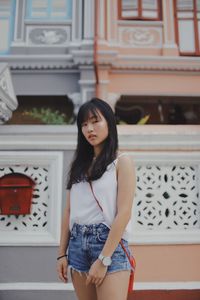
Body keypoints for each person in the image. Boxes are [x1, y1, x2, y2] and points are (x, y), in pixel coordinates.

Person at [57, 98, 136, 300]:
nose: (89, 129)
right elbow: (69, 211)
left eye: (95, 121)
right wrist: (61, 253)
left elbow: (124, 213)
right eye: (84, 124)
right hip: (77, 245)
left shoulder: (122, 162)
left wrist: (103, 259)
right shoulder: (79, 165)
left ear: (109, 122)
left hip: (109, 245)